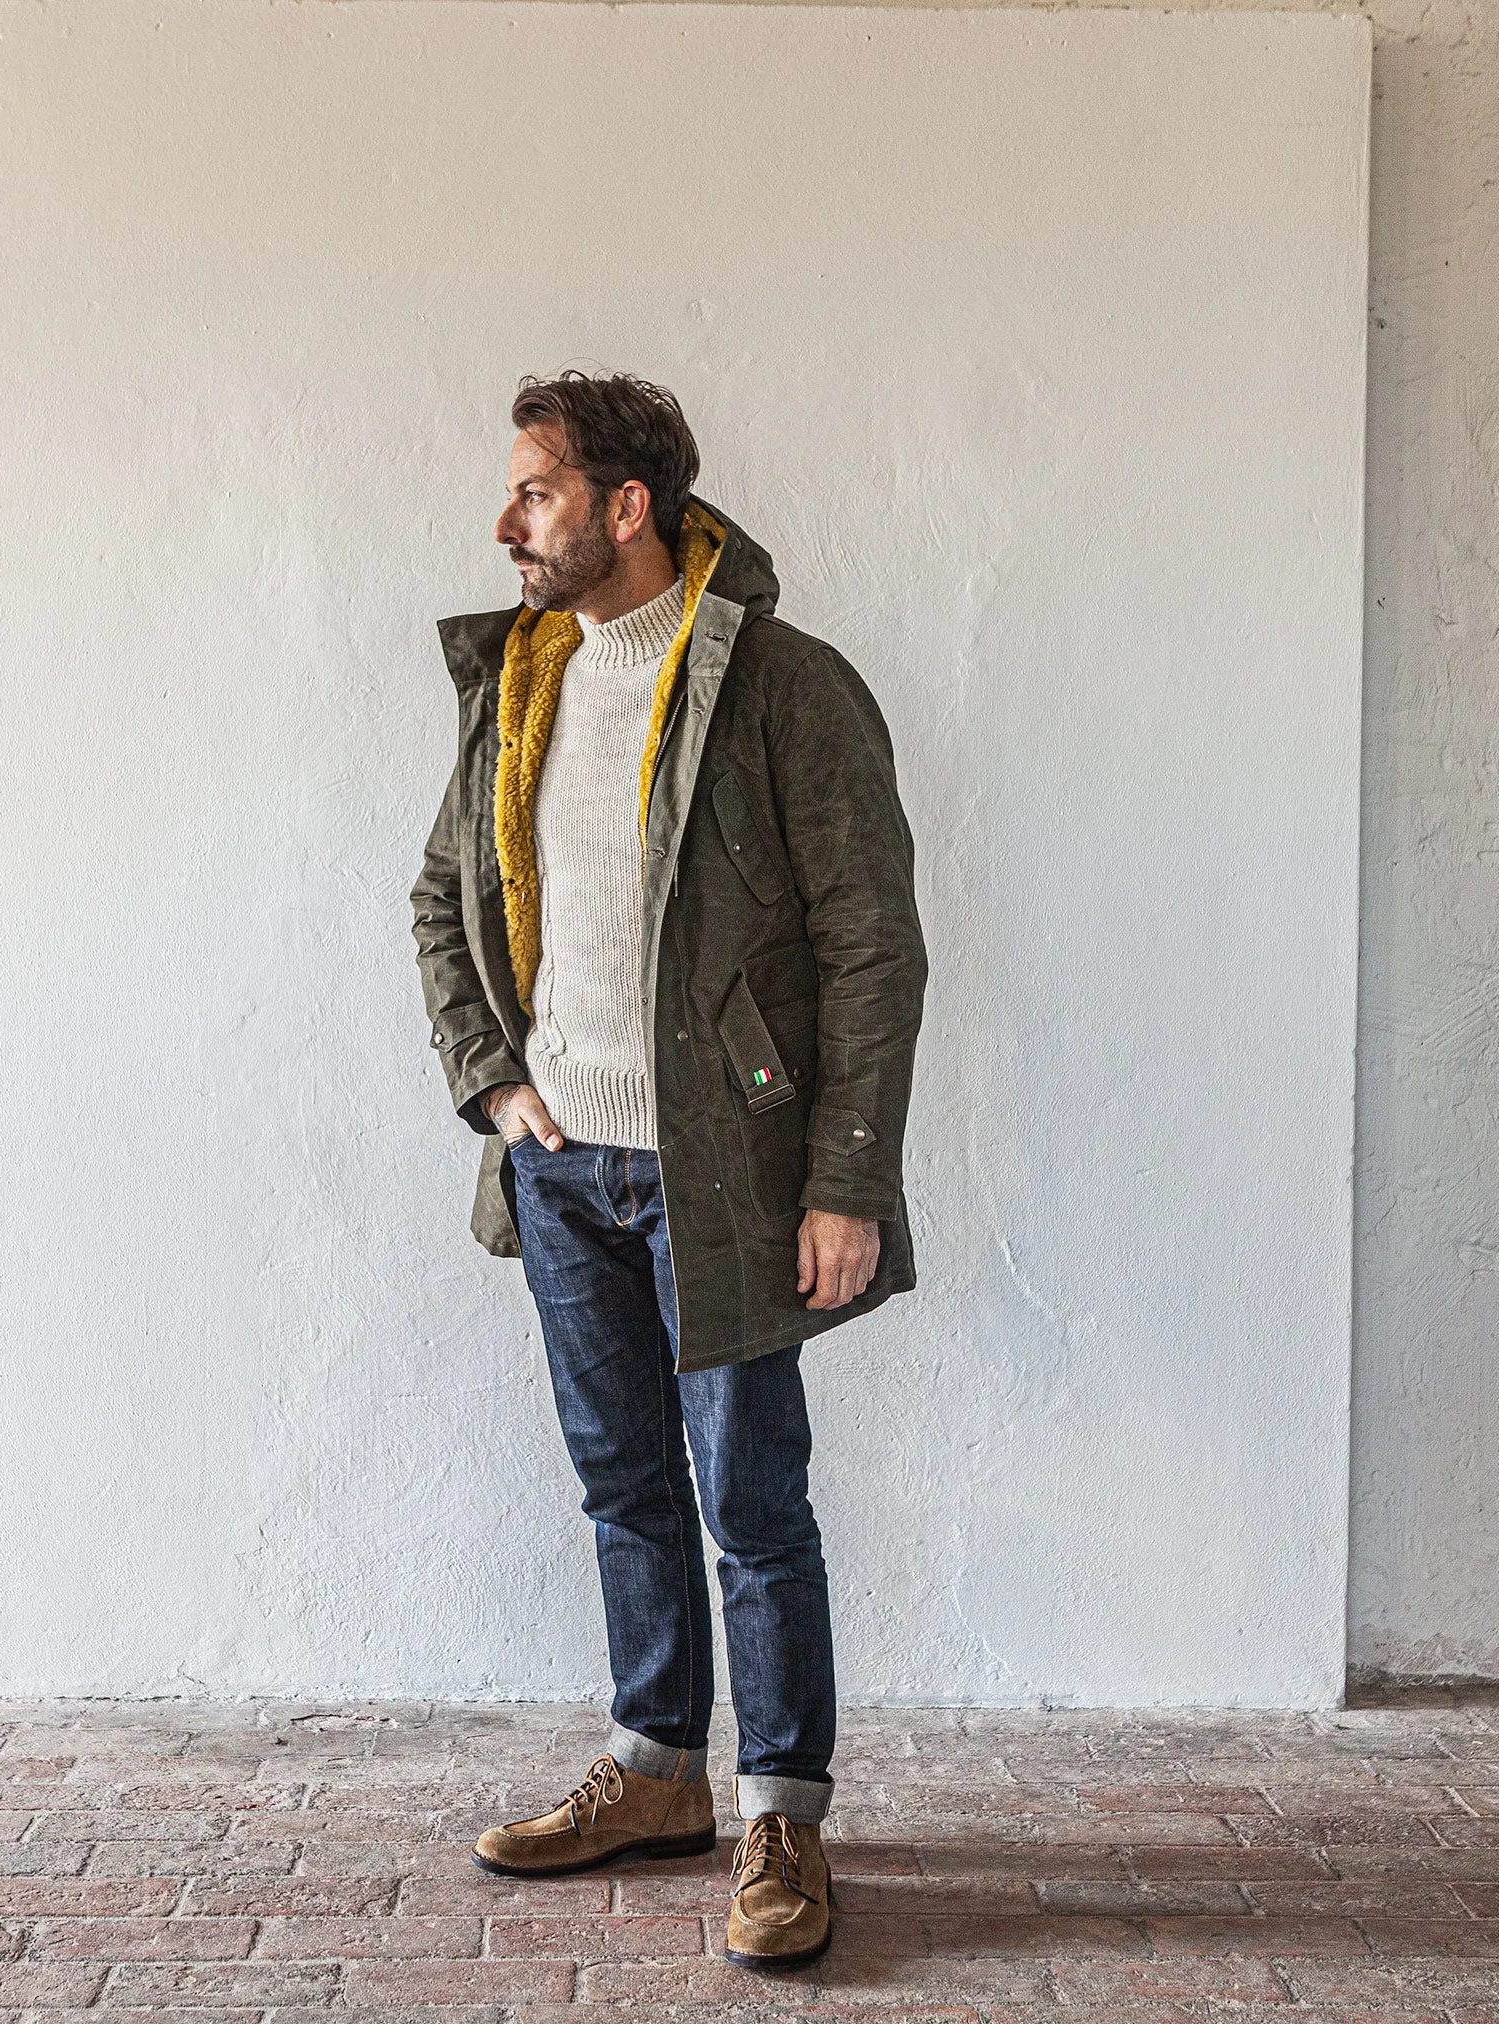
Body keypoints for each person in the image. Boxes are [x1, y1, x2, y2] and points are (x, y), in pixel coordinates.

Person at [409, 371, 926, 1971]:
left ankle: (782, 1810)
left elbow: (871, 946)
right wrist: (491, 1083)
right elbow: (439, 897)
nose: (509, 524)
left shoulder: (782, 686)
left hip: (728, 1175)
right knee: (624, 1485)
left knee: (753, 1503)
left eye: (537, 495)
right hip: (565, 1166)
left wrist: (845, 1178)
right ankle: (656, 1772)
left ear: (627, 508)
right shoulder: (524, 681)